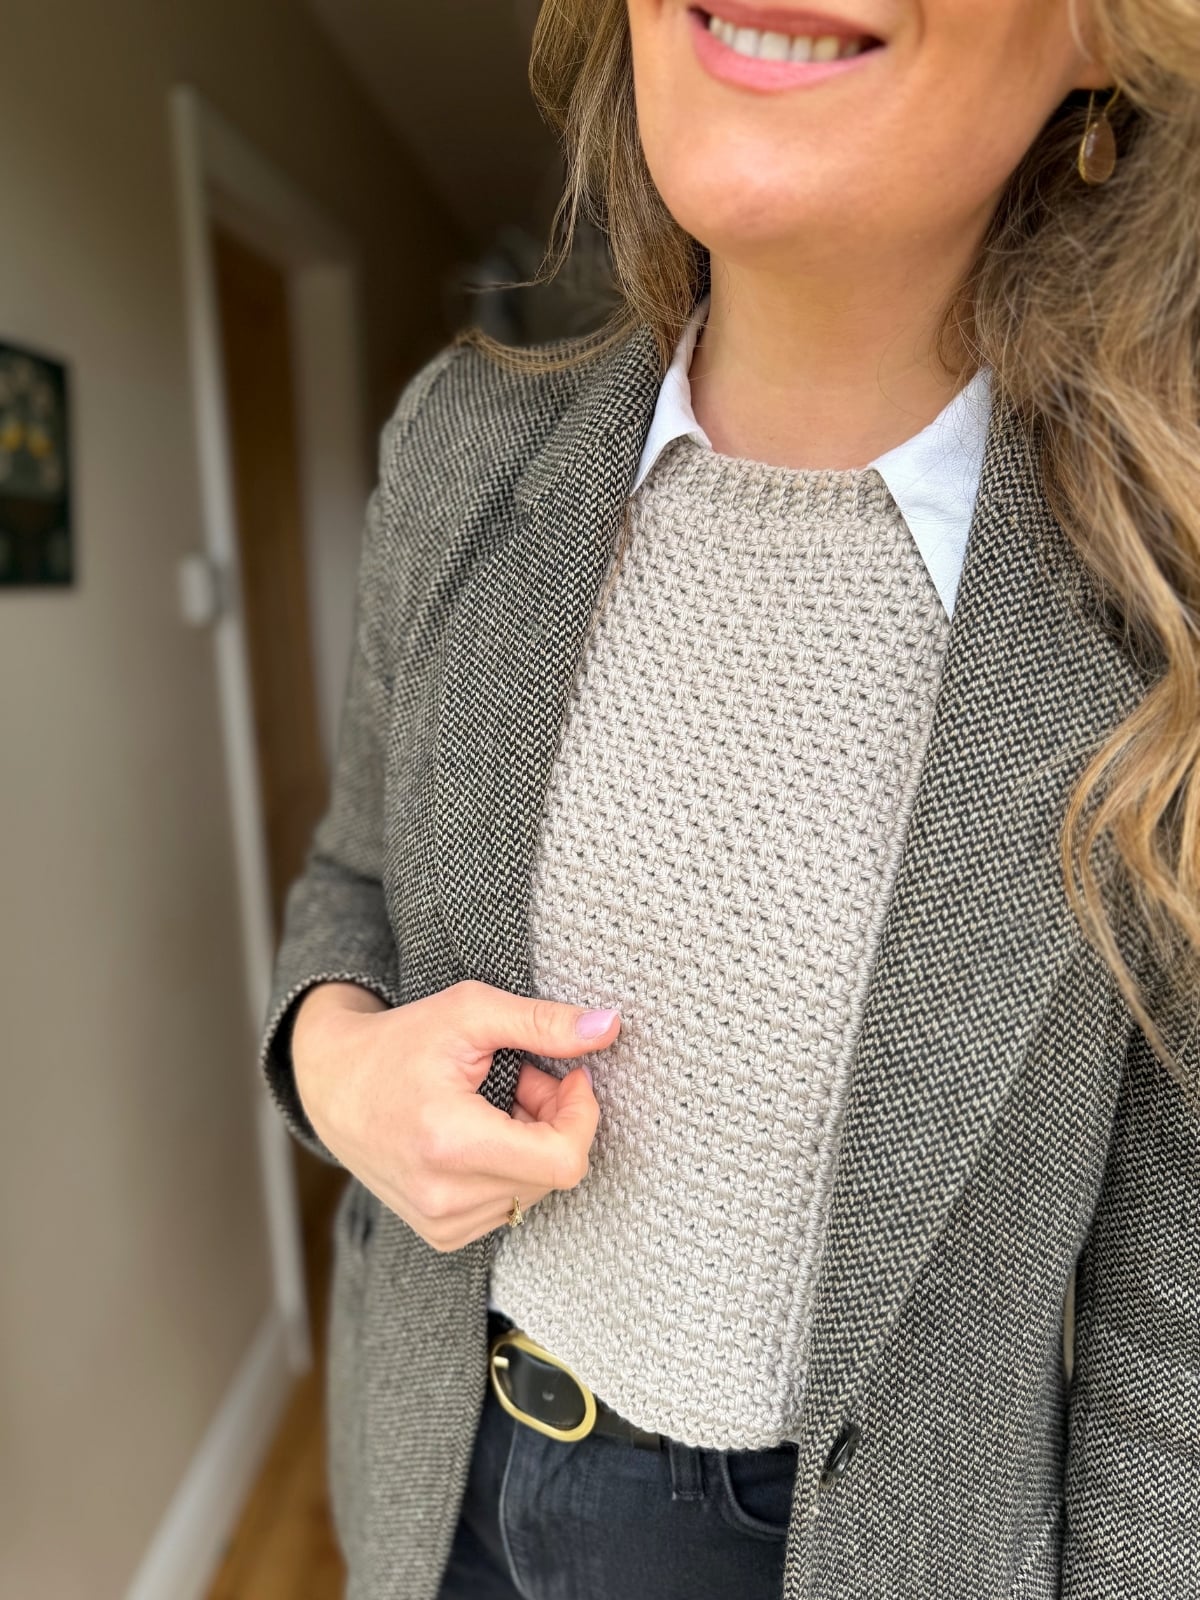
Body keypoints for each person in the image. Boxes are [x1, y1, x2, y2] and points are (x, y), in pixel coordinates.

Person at [259, 2, 1200, 1597]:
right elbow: (355, 873)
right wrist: (331, 1061)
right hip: (437, 1487)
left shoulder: (1157, 614)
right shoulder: (463, 453)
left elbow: (1173, 1324)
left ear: (1108, 38)